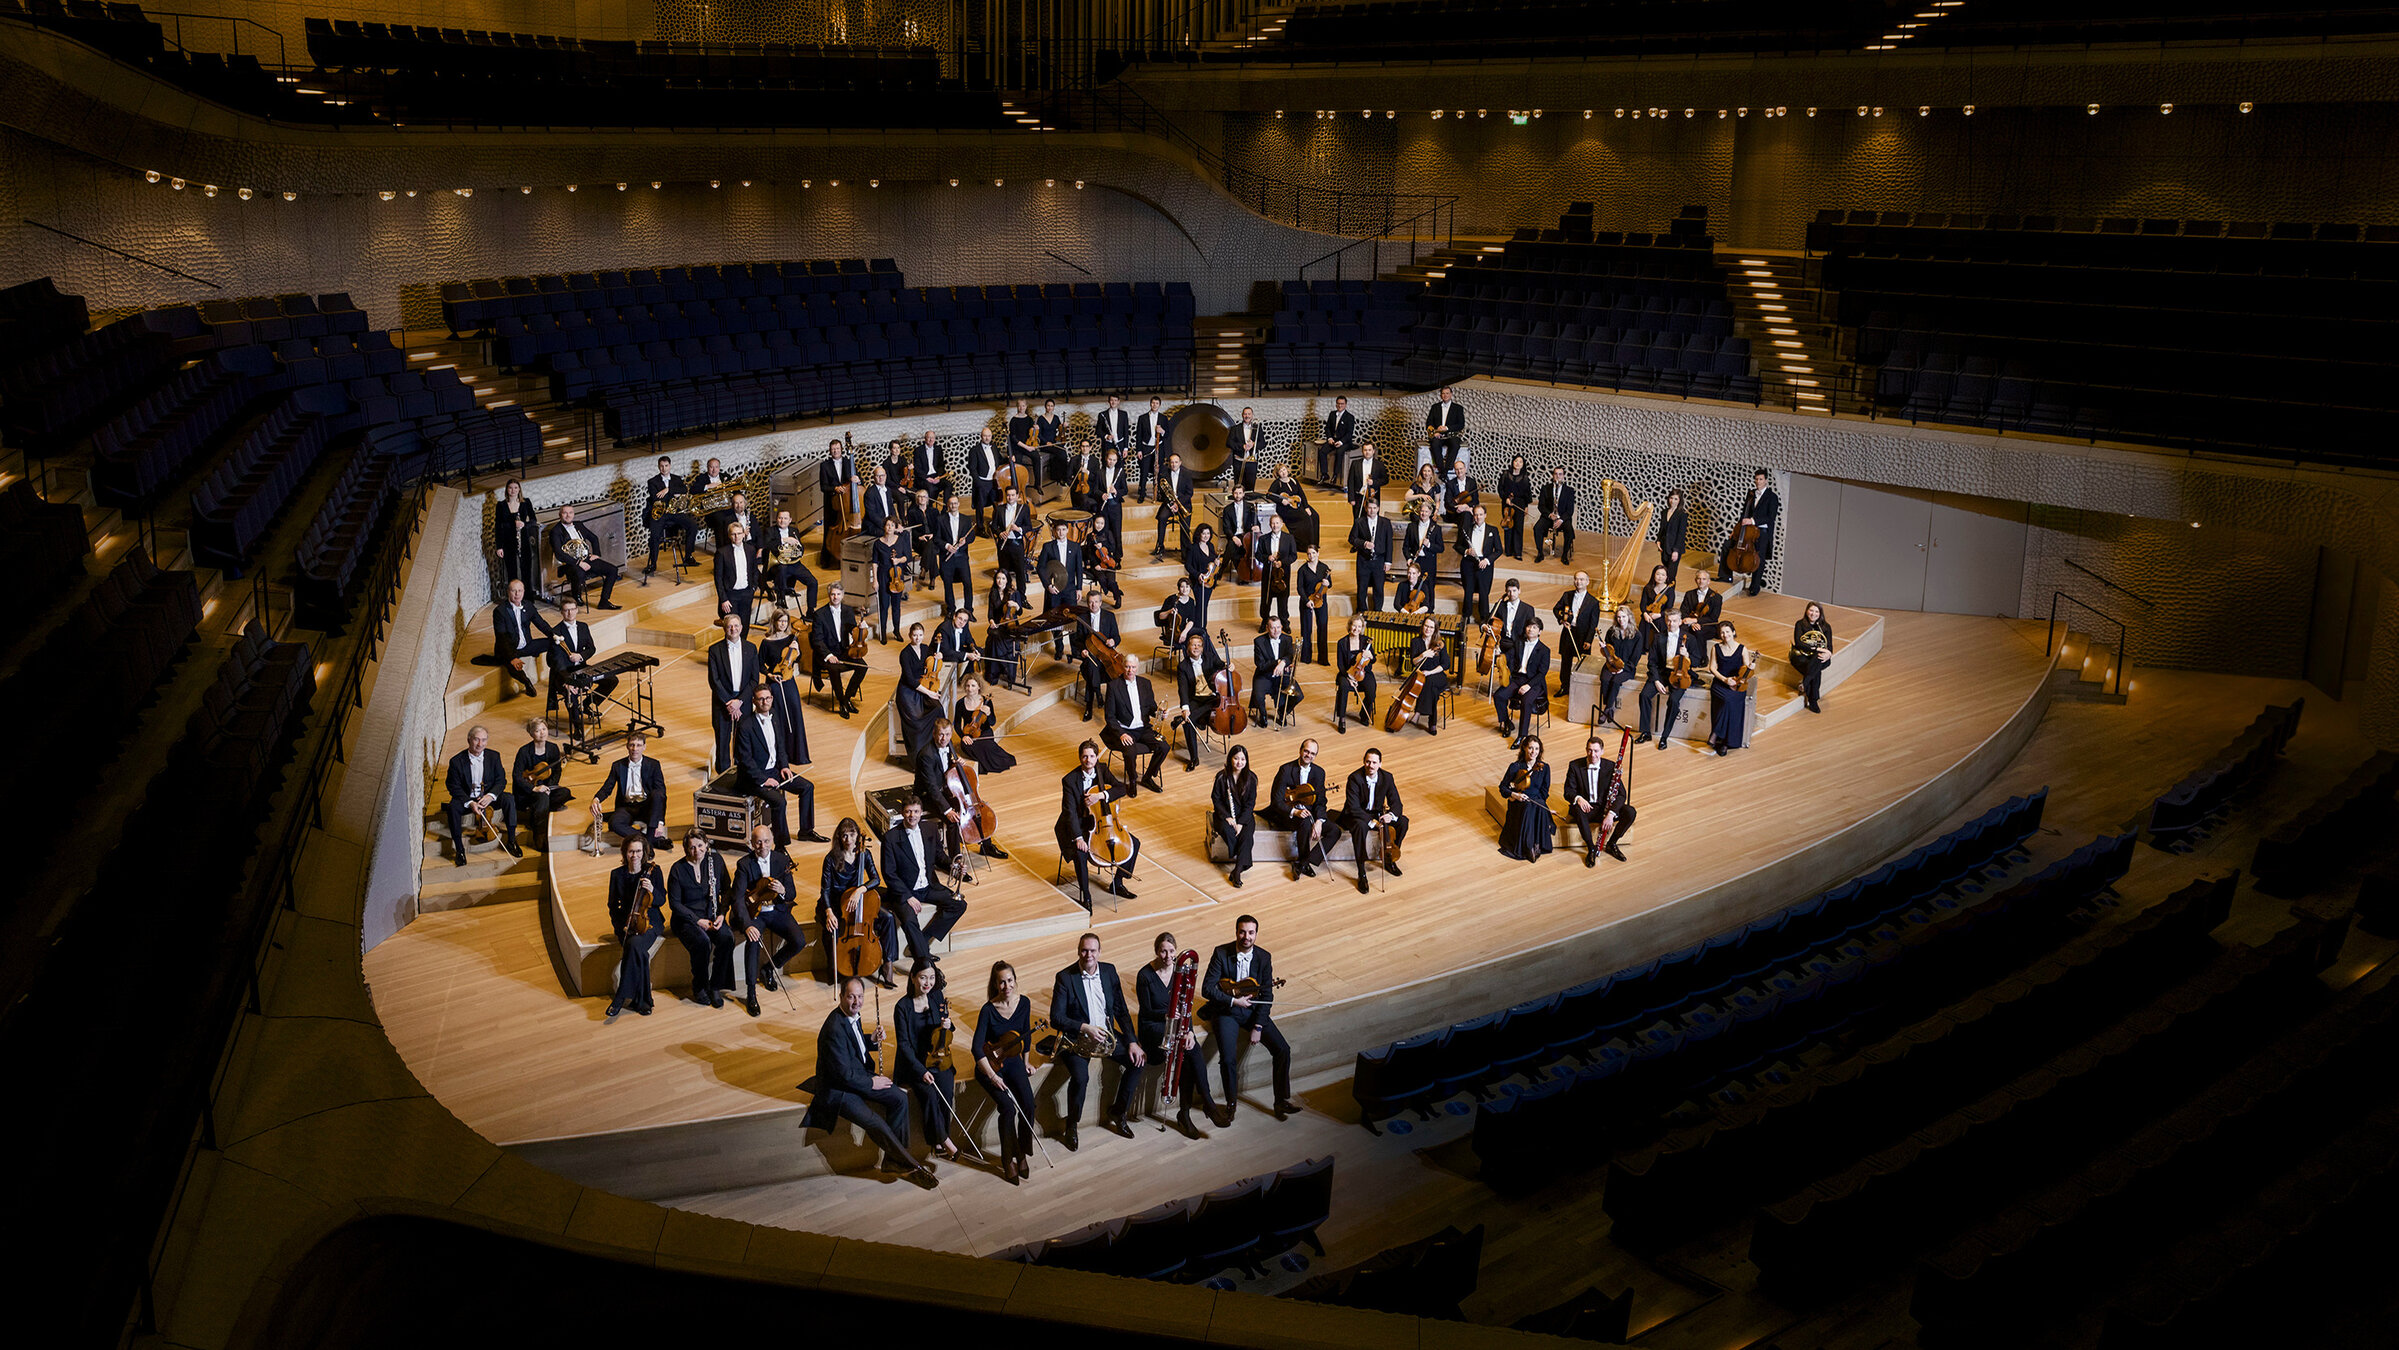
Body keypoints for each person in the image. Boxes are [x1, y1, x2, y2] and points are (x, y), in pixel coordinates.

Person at [802, 977, 938, 1187]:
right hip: (839, 1089)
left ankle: (894, 1161)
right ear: (841, 997)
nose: (856, 1001)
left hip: (857, 1076)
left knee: (900, 1098)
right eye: (850, 996)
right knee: (875, 1122)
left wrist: (871, 1040)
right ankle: (911, 1165)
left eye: (859, 996)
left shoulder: (850, 1017)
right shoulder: (833, 1029)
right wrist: (871, 1084)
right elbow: (841, 1074)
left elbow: (852, 1045)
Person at [1049, 933, 1146, 1147]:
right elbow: (1056, 1018)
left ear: (1099, 952)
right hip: (1077, 1039)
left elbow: (1121, 1010)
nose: (1088, 955)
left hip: (1106, 1035)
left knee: (1137, 1061)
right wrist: (1084, 1028)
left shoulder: (1109, 971)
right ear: (1078, 951)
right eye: (1084, 950)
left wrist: (1131, 1041)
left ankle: (1118, 1113)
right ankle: (1072, 1125)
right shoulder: (1065, 977)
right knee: (1081, 1078)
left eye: (1093, 951)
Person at [1202, 916, 1295, 1120]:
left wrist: (1259, 1026)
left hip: (1253, 1012)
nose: (1246, 937)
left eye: (1251, 933)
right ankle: (1231, 1104)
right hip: (1227, 1012)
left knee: (1283, 1050)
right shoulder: (1221, 953)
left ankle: (1280, 1102)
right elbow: (1207, 989)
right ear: (1236, 932)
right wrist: (1234, 1002)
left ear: (1256, 934)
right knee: (1227, 1059)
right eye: (1242, 932)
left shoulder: (1264, 957)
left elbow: (1267, 995)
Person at [1139, 932, 1225, 1136]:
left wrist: (1190, 1032)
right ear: (1156, 951)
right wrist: (1167, 1014)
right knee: (1186, 1052)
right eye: (1162, 951)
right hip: (1154, 1026)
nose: (1167, 956)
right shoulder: (1146, 975)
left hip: (1177, 1026)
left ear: (1176, 951)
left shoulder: (1183, 970)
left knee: (1191, 1049)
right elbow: (1146, 1010)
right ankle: (1203, 1105)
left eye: (1171, 951)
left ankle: (1193, 1108)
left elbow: (1186, 1006)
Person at [974, 962, 1040, 1185]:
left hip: (1013, 1062)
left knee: (1029, 1105)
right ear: (995, 984)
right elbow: (976, 1049)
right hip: (989, 1067)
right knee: (1008, 1108)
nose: (1006, 985)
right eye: (1001, 981)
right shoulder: (988, 1010)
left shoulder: (1024, 1003)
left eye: (1010, 980)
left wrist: (1026, 1063)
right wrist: (993, 1077)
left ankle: (1021, 1152)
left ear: (1015, 980)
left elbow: (1025, 1037)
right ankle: (1007, 1160)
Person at [882, 799, 970, 966]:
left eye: (915, 811)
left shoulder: (929, 828)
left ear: (921, 812)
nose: (912, 815)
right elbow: (889, 874)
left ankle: (922, 941)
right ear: (902, 813)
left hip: (928, 885)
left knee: (959, 904)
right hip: (905, 890)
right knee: (909, 921)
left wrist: (954, 866)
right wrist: (908, 896)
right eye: (908, 811)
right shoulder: (891, 838)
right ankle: (925, 961)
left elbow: (938, 856)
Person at [1057, 740, 1141, 908]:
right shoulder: (1069, 780)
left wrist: (1101, 795)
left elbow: (1121, 789)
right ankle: (1086, 896)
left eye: (1092, 756)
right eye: (1085, 756)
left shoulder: (1101, 770)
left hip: (1101, 823)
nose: (1089, 760)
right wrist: (1078, 838)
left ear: (1096, 758)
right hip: (1079, 825)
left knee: (1134, 843)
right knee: (1081, 854)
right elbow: (1070, 812)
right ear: (1080, 758)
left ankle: (1117, 883)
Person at [736, 686, 822, 848]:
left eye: (768, 698)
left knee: (807, 787)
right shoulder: (745, 726)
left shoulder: (774, 716)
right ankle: (781, 845)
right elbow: (745, 760)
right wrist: (764, 780)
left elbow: (780, 746)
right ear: (754, 701)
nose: (765, 702)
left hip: (775, 771)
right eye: (761, 699)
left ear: (772, 699)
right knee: (779, 802)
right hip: (754, 778)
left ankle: (806, 831)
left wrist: (784, 766)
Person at [893, 961, 963, 1161]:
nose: (928, 982)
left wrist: (949, 1025)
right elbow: (904, 1045)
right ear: (913, 977)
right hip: (913, 1064)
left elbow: (946, 1032)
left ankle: (940, 1140)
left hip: (937, 1059)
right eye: (923, 977)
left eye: (931, 978)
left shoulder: (937, 997)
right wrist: (920, 1070)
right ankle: (945, 1141)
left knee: (947, 1088)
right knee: (930, 1095)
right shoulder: (902, 1007)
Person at [816, 816, 895, 987]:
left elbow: (876, 879)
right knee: (832, 929)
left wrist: (860, 890)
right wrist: (829, 912)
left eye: (852, 835)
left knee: (888, 918)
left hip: (858, 901)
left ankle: (888, 963)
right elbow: (825, 890)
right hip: (836, 903)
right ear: (839, 837)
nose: (849, 840)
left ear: (858, 835)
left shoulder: (864, 854)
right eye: (844, 835)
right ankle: (835, 968)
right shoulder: (831, 858)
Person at [730, 822, 808, 991]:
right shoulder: (744, 864)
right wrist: (748, 925)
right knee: (753, 940)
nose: (762, 846)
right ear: (752, 843)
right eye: (758, 842)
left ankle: (769, 968)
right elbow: (736, 898)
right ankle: (751, 991)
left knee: (799, 941)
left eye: (766, 841)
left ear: (772, 841)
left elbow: (791, 894)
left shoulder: (782, 860)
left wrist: (782, 890)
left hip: (777, 911)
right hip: (755, 914)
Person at [668, 829, 739, 1009]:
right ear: (685, 849)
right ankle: (699, 985)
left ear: (706, 845)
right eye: (692, 847)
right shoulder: (678, 869)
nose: (697, 851)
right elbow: (675, 904)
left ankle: (715, 986)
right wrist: (697, 920)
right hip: (686, 919)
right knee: (702, 942)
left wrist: (722, 914)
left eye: (700, 846)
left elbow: (726, 890)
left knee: (727, 938)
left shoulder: (715, 861)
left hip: (713, 915)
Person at [604, 835, 665, 1017]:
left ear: (644, 852)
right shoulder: (617, 874)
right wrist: (618, 929)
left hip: (650, 922)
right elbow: (613, 906)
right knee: (638, 951)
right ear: (625, 853)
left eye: (638, 851)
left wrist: (652, 890)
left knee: (634, 945)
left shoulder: (654, 872)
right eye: (631, 851)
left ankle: (620, 997)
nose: (635, 855)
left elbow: (661, 900)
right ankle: (644, 1001)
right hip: (627, 924)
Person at [444, 725, 520, 864]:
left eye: (484, 740)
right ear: (469, 740)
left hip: (488, 797)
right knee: (452, 807)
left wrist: (490, 796)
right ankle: (460, 849)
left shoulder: (494, 756)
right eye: (476, 740)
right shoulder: (456, 761)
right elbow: (452, 786)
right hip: (468, 798)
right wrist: (470, 802)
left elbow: (501, 780)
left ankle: (511, 840)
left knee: (509, 798)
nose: (480, 744)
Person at [1336, 747, 1407, 894]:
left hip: (1377, 814)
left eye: (1374, 762)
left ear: (1380, 764)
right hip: (1355, 815)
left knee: (1403, 822)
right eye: (1368, 762)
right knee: (1360, 827)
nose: (1371, 766)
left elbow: (1397, 803)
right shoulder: (1354, 778)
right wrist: (1372, 822)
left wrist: (1391, 815)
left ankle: (1389, 858)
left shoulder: (1387, 777)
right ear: (1363, 762)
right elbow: (1353, 807)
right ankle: (1361, 873)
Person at [1100, 652, 1169, 795]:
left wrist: (1159, 712)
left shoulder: (1145, 684)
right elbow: (1110, 717)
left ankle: (1148, 777)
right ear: (1122, 667)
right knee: (1130, 752)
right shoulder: (1114, 686)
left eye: (1133, 667)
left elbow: (1151, 707)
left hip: (1143, 729)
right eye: (1127, 667)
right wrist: (1122, 734)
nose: (1130, 670)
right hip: (1125, 730)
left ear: (1137, 668)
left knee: (1164, 746)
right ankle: (1132, 780)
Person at [1562, 734, 1634, 865]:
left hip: (1605, 808)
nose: (1592, 754)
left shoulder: (1611, 766)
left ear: (1602, 751)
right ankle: (1591, 848)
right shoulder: (1575, 766)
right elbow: (1568, 792)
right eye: (1589, 750)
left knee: (1630, 812)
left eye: (1596, 751)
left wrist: (1611, 814)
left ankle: (1612, 844)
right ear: (1586, 750)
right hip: (1587, 808)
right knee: (1577, 810)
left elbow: (1622, 795)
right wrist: (1578, 798)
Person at [754, 609, 812, 767]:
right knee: (778, 716)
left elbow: (795, 658)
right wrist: (770, 675)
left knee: (794, 712)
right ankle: (780, 755)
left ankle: (798, 754)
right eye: (780, 621)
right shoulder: (766, 642)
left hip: (789, 680)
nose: (783, 624)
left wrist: (797, 651)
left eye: (785, 621)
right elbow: (760, 664)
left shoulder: (791, 639)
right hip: (774, 682)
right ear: (774, 622)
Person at [478, 577, 552, 701]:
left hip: (526, 645)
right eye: (514, 591)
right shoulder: (500, 611)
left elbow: (541, 624)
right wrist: (512, 657)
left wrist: (554, 635)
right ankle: (527, 683)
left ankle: (555, 673)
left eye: (520, 591)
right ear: (508, 592)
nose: (517, 594)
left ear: (523, 591)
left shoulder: (528, 606)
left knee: (553, 643)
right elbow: (502, 638)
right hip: (509, 648)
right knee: (511, 664)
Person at [591, 731, 667, 848]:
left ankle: (648, 843)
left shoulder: (654, 764)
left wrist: (660, 822)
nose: (635, 749)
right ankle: (649, 842)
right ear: (627, 746)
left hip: (646, 806)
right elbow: (607, 787)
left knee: (657, 793)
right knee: (614, 823)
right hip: (627, 807)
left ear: (644, 747)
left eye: (638, 745)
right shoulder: (617, 765)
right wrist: (596, 799)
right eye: (632, 745)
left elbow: (661, 793)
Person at [1641, 609, 1703, 749]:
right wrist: (1656, 680)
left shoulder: (1690, 639)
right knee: (1644, 695)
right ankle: (1645, 732)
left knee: (1673, 701)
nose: (1671, 623)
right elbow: (1652, 662)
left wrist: (1687, 655)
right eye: (1669, 620)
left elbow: (1698, 660)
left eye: (1675, 621)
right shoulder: (1658, 637)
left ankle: (1664, 737)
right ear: (1665, 621)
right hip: (1662, 673)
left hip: (1680, 674)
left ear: (1680, 621)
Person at [1267, 737, 1329, 877]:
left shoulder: (1319, 773)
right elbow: (1276, 800)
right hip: (1287, 814)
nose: (1308, 756)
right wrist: (1295, 812)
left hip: (1310, 813)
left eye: (1312, 754)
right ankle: (1304, 861)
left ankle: (1305, 862)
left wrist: (1319, 821)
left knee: (1334, 831)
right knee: (1305, 823)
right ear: (1300, 750)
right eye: (1306, 751)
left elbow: (1321, 801)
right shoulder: (1285, 770)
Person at [707, 613, 760, 775]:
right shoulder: (715, 650)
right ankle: (722, 777)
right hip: (722, 703)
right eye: (730, 626)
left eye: (736, 626)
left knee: (742, 741)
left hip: (743, 702)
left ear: (742, 628)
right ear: (724, 628)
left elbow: (754, 680)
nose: (733, 629)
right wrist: (729, 702)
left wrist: (739, 702)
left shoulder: (751, 649)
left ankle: (740, 774)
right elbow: (714, 680)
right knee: (722, 741)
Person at [512, 716, 572, 851]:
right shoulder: (524, 751)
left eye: (544, 729)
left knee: (565, 793)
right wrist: (534, 788)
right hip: (529, 790)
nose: (542, 733)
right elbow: (517, 776)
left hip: (546, 788)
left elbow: (556, 771)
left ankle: (536, 811)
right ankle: (540, 837)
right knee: (543, 798)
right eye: (538, 731)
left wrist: (549, 787)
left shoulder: (553, 748)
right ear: (531, 733)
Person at [548, 502, 620, 609]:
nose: (568, 515)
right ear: (560, 515)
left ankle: (604, 601)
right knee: (579, 573)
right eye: (565, 513)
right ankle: (576, 596)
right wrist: (579, 563)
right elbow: (559, 554)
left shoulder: (578, 525)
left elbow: (594, 538)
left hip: (586, 558)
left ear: (573, 514)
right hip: (569, 563)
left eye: (570, 513)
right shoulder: (555, 531)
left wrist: (596, 554)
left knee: (613, 570)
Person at [811, 585, 867, 717]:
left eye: (838, 594)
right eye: (832, 594)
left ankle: (846, 698)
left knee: (863, 667)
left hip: (844, 651)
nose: (835, 597)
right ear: (829, 595)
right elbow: (817, 640)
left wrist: (861, 628)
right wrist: (828, 655)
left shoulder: (847, 610)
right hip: (826, 653)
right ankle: (842, 702)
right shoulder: (819, 614)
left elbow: (853, 631)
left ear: (842, 595)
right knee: (834, 669)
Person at [1496, 616, 1552, 748]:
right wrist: (1500, 654)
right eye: (1529, 626)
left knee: (1526, 701)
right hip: (1517, 678)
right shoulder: (1519, 642)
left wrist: (1528, 686)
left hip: (1534, 683)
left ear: (1539, 631)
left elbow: (1542, 673)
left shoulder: (1544, 650)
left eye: (1534, 627)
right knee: (1499, 695)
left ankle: (1522, 736)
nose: (1530, 629)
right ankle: (1506, 722)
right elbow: (1509, 655)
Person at [1168, 631, 1221, 770]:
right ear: (1188, 648)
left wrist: (1229, 666)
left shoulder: (1210, 657)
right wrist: (1185, 708)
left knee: (1191, 716)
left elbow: (1221, 665)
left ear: (1203, 648)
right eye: (1193, 645)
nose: (1196, 648)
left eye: (1199, 645)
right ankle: (1194, 758)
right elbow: (1183, 689)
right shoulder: (1183, 666)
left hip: (1211, 698)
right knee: (1188, 722)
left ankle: (1181, 718)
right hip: (1196, 699)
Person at [1498, 736, 1554, 862]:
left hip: (1536, 800)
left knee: (1537, 805)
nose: (1533, 752)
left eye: (1536, 749)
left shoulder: (1545, 768)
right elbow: (1503, 788)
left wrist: (1535, 800)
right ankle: (1529, 847)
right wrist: (1515, 795)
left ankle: (1537, 844)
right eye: (1530, 748)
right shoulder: (1516, 767)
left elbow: (1545, 791)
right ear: (1524, 748)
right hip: (1519, 801)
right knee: (1528, 807)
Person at [1727, 469, 1780, 595]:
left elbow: (1770, 517)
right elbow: (1744, 513)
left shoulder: (1772, 497)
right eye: (1756, 479)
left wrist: (1752, 520)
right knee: (1729, 547)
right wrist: (1736, 531)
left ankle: (1755, 587)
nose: (1758, 482)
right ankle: (1726, 576)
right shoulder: (1751, 493)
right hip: (1748, 532)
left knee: (1758, 559)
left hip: (1762, 532)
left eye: (1761, 479)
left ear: (1766, 480)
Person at [1211, 744, 1257, 887]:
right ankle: (1245, 862)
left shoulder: (1251, 778)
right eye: (1236, 758)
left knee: (1247, 834)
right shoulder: (1222, 777)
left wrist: (1241, 823)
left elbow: (1250, 804)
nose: (1239, 762)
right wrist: (1227, 817)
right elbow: (1216, 799)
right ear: (1230, 758)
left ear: (1246, 760)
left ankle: (1237, 870)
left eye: (1243, 759)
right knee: (1228, 831)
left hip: (1244, 816)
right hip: (1224, 814)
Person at [641, 455, 695, 575]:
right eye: (661, 466)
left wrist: (667, 490)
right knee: (654, 537)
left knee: (692, 526)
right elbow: (656, 498)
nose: (664, 469)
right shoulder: (652, 481)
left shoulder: (677, 479)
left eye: (666, 466)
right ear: (658, 467)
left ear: (670, 466)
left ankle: (688, 556)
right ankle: (653, 564)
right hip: (659, 513)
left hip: (674, 512)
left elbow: (684, 491)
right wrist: (672, 492)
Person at [1070, 586, 1120, 717]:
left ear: (1101, 602)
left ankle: (1099, 700)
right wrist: (1082, 650)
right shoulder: (1082, 618)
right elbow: (1077, 640)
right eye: (1091, 602)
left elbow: (1117, 637)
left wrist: (1113, 641)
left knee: (1105, 671)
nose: (1093, 605)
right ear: (1087, 603)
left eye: (1096, 601)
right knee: (1092, 667)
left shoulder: (1109, 616)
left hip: (1107, 656)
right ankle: (1091, 704)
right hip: (1090, 655)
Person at [951, 676, 1017, 775]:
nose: (970, 688)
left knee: (986, 745)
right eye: (968, 686)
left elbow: (992, 722)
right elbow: (956, 724)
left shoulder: (986, 701)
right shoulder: (960, 703)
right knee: (967, 746)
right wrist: (963, 736)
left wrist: (989, 713)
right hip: (968, 734)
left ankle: (997, 760)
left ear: (979, 687)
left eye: (973, 685)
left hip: (985, 731)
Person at [894, 623, 941, 759]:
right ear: (910, 636)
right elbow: (909, 679)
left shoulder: (926, 648)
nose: (917, 638)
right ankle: (917, 758)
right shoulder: (905, 654)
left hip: (924, 685)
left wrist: (939, 657)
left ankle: (935, 748)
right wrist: (929, 693)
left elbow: (934, 664)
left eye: (920, 635)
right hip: (909, 691)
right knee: (916, 721)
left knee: (938, 708)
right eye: (915, 635)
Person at [1553, 571, 1604, 696]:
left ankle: (1581, 688)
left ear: (1587, 582)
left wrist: (1589, 640)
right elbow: (1556, 609)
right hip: (1568, 632)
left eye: (1581, 580)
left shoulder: (1593, 602)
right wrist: (1562, 620)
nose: (1578, 582)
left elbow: (1593, 624)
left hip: (1583, 635)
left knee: (1582, 663)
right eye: (1576, 579)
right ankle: (1565, 686)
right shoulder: (1567, 595)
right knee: (1565, 661)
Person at [1707, 620, 1754, 756]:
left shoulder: (1742, 649)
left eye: (1727, 631)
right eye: (1722, 632)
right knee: (1727, 701)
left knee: (1729, 701)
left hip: (1738, 685)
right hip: (1720, 683)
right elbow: (1712, 668)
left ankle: (1718, 736)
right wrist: (1725, 679)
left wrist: (1751, 668)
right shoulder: (1716, 648)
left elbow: (1746, 671)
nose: (1725, 634)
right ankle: (1721, 740)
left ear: (1733, 632)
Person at [761, 507, 820, 614]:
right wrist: (783, 540)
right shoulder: (769, 531)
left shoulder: (794, 531)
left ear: (790, 520)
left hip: (794, 565)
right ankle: (781, 597)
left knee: (813, 582)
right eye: (780, 518)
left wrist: (798, 550)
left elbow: (801, 548)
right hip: (776, 566)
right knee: (782, 568)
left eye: (785, 518)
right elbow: (767, 545)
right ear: (776, 519)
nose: (782, 520)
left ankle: (810, 611)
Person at [1597, 604, 1647, 727]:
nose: (1621, 620)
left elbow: (1635, 657)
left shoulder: (1637, 635)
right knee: (1604, 678)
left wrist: (1622, 668)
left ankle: (1607, 709)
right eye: (1619, 617)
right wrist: (1604, 648)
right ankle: (1610, 708)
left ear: (1629, 617)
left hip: (1627, 667)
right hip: (1611, 663)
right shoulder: (1611, 631)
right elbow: (1608, 652)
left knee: (1615, 681)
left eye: (1624, 617)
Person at [927, 490, 976, 614]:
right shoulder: (940, 519)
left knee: (968, 583)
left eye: (955, 503)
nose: (953, 506)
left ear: (959, 504)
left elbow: (972, 537)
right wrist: (947, 546)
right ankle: (951, 610)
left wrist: (965, 541)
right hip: (947, 557)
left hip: (962, 557)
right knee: (948, 584)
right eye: (951, 504)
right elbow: (937, 539)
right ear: (948, 505)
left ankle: (968, 610)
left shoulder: (966, 519)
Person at [1401, 614, 1451, 734]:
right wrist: (1423, 655)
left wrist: (1430, 672)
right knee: (1431, 689)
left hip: (1437, 675)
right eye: (1426, 626)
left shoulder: (1439, 643)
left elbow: (1445, 665)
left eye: (1431, 627)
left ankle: (1417, 713)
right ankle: (1432, 723)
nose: (1428, 629)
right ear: (1422, 626)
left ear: (1435, 630)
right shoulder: (1416, 642)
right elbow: (1414, 662)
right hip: (1422, 676)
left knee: (1429, 681)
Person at [492, 477, 542, 596]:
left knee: (526, 570)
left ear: (519, 489)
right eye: (510, 488)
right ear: (507, 490)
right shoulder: (501, 505)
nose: (513, 490)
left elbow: (533, 520)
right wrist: (499, 546)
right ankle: (513, 598)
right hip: (508, 541)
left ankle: (528, 598)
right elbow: (498, 526)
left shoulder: (526, 502)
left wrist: (524, 524)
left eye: (515, 488)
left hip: (523, 540)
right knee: (511, 571)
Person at [1252, 615, 1301, 725]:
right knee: (1258, 695)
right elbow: (1260, 665)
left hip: (1282, 675)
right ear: (1267, 628)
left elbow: (1289, 655)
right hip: (1264, 675)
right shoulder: (1259, 641)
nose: (1276, 631)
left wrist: (1283, 662)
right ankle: (1263, 715)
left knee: (1299, 696)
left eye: (1278, 627)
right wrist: (1278, 662)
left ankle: (1282, 712)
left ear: (1282, 627)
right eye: (1273, 628)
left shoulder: (1287, 639)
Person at [1348, 495, 1394, 613]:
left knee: (1379, 588)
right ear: (1366, 508)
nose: (1371, 510)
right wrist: (1363, 544)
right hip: (1363, 561)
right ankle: (1362, 611)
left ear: (1378, 508)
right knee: (1362, 587)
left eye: (1374, 508)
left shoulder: (1386, 523)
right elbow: (1352, 539)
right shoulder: (1359, 522)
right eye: (1369, 508)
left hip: (1379, 560)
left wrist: (1388, 561)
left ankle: (1378, 611)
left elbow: (1389, 543)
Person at [1333, 615, 1377, 734]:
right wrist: (1349, 677)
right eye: (1354, 626)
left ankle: (1364, 713)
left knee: (1371, 690)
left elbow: (1373, 660)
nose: (1356, 629)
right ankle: (1342, 718)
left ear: (1362, 627)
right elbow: (1340, 664)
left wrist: (1370, 655)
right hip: (1346, 672)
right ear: (1349, 626)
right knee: (1343, 686)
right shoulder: (1342, 643)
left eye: (1359, 626)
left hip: (1364, 672)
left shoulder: (1366, 641)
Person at [1456, 503, 1499, 622]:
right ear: (1473, 516)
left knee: (1484, 592)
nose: (1478, 517)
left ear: (1485, 515)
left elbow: (1499, 550)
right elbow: (1457, 546)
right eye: (1475, 515)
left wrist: (1487, 560)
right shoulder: (1466, 529)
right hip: (1468, 563)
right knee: (1468, 590)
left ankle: (1484, 617)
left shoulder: (1493, 530)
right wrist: (1466, 551)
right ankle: (1466, 616)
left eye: (1480, 514)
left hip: (1484, 564)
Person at [1791, 602, 1835, 714]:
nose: (1813, 614)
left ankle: (1805, 683)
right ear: (1806, 611)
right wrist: (1817, 649)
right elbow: (1799, 643)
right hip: (1802, 656)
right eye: (1811, 610)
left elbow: (1829, 647)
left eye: (1816, 611)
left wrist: (1828, 654)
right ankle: (1813, 700)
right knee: (1816, 668)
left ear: (1820, 614)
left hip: (1818, 658)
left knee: (1817, 660)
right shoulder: (1800, 624)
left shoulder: (1826, 627)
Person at [1037, 518, 1085, 622]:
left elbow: (1079, 569)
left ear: (1067, 530)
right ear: (1054, 531)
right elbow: (1040, 567)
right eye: (1058, 530)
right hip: (1054, 590)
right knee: (1054, 620)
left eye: (1063, 529)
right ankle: (1058, 639)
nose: (1061, 532)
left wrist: (1079, 588)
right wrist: (1048, 585)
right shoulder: (1047, 547)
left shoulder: (1076, 547)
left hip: (1070, 589)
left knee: (1072, 620)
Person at [1256, 514, 1298, 630]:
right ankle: (1264, 621)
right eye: (1273, 523)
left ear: (1281, 524)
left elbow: (1294, 556)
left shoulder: (1289, 538)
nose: (1275, 525)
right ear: (1270, 525)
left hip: (1283, 574)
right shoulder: (1264, 539)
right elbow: (1258, 555)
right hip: (1268, 574)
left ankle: (1284, 623)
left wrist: (1282, 563)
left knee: (1283, 600)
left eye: (1277, 523)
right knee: (1266, 600)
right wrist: (1267, 558)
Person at [870, 517, 908, 642]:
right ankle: (883, 632)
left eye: (892, 525)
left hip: (897, 577)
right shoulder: (878, 543)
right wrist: (875, 580)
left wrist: (898, 560)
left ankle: (896, 631)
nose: (890, 527)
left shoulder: (901, 540)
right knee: (884, 605)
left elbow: (907, 557)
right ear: (884, 527)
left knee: (896, 606)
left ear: (895, 527)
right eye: (887, 525)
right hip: (882, 576)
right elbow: (875, 562)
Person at [1268, 461, 1319, 551]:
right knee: (1305, 518)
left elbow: (1302, 494)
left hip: (1297, 504)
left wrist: (1306, 507)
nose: (1283, 472)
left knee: (1315, 515)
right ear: (1278, 474)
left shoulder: (1294, 481)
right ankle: (1304, 546)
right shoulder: (1277, 483)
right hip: (1286, 509)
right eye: (1280, 471)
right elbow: (1269, 495)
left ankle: (1313, 544)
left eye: (1284, 469)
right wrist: (1281, 500)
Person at [992, 484, 1034, 597]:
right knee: (1004, 572)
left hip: (1017, 544)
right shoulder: (999, 509)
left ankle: (1022, 597)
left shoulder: (1024, 508)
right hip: (1004, 545)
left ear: (1017, 496)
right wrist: (999, 533)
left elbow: (1028, 526)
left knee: (1020, 572)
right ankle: (1006, 595)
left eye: (1012, 495)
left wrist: (1018, 529)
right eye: (1008, 495)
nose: (1010, 498)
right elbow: (993, 526)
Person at [1295, 543, 1333, 665]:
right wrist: (1307, 601)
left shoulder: (1324, 568)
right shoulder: (1302, 570)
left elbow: (1329, 584)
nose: (1311, 556)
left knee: (1322, 627)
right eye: (1309, 554)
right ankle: (1306, 658)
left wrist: (1328, 584)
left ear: (1318, 553)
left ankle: (1323, 659)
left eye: (1313, 553)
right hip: (1307, 601)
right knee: (1306, 629)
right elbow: (1300, 588)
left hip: (1321, 601)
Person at [714, 520, 757, 623]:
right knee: (732, 627)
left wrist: (753, 588)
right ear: (729, 535)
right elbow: (718, 578)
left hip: (747, 593)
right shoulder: (722, 552)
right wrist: (723, 599)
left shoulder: (751, 549)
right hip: (731, 595)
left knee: (745, 625)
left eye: (739, 533)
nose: (736, 536)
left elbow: (754, 570)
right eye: (733, 534)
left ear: (743, 534)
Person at [1404, 500, 1444, 607]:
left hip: (1429, 562)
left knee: (1429, 587)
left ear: (1430, 513)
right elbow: (1405, 547)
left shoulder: (1436, 528)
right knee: (1413, 586)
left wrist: (1430, 545)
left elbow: (1441, 548)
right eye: (1422, 511)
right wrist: (1408, 558)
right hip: (1416, 561)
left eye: (1426, 511)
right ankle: (1413, 608)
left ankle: (1430, 610)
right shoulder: (1411, 527)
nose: (1423, 514)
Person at [1155, 576, 1206, 660]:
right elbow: (1160, 616)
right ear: (1178, 588)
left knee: (1203, 632)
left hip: (1185, 629)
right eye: (1182, 586)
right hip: (1173, 631)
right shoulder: (1172, 599)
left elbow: (1191, 620)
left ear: (1190, 588)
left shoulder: (1191, 601)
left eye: (1187, 587)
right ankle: (1190, 664)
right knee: (1191, 641)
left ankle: (1205, 659)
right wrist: (1169, 611)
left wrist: (1184, 632)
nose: (1185, 589)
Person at [1535, 466, 1577, 565]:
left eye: (1560, 474)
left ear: (1563, 476)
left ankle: (1564, 555)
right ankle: (1540, 553)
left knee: (1569, 531)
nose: (1558, 476)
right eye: (1556, 474)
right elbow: (1541, 506)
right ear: (1553, 475)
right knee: (1537, 528)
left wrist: (1561, 520)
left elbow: (1570, 510)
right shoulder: (1545, 488)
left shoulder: (1569, 491)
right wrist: (1549, 515)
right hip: (1549, 517)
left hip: (1562, 518)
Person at [1153, 451, 1193, 557]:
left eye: (1176, 462)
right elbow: (1162, 494)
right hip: (1169, 503)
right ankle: (1160, 546)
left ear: (1180, 462)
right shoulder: (1164, 474)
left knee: (1184, 525)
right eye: (1171, 462)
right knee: (1162, 518)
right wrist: (1171, 504)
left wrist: (1178, 504)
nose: (1173, 464)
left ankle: (1185, 554)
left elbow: (1189, 493)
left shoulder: (1187, 474)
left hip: (1184, 504)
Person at [1496, 454, 1533, 559]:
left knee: (1518, 527)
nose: (1518, 463)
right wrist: (1505, 498)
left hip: (1520, 503)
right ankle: (1508, 550)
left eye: (1520, 462)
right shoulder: (1505, 474)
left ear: (1523, 464)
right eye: (1516, 461)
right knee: (1508, 525)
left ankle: (1517, 552)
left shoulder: (1525, 477)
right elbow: (1500, 489)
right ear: (1512, 462)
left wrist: (1526, 506)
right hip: (1507, 503)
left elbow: (1527, 493)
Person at [1133, 395, 1168, 503]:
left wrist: (1162, 431)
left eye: (1157, 403)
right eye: (1153, 403)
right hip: (1146, 448)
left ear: (1159, 405)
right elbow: (1138, 435)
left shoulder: (1163, 418)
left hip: (1158, 448)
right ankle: (1142, 494)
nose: (1154, 405)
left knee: (1157, 472)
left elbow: (1167, 435)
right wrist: (1139, 450)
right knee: (1144, 472)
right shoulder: (1142, 418)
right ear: (1150, 404)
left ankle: (1158, 494)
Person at [969, 426, 1004, 533]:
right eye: (985, 436)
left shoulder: (994, 447)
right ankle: (980, 528)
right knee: (980, 506)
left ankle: (996, 525)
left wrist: (1010, 459)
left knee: (996, 504)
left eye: (989, 436)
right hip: (982, 482)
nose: (987, 438)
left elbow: (1000, 460)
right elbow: (972, 468)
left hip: (994, 481)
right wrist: (978, 483)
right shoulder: (974, 450)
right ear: (981, 436)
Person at [1425, 385, 1465, 475]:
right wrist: (1434, 432)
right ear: (1440, 395)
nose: (1445, 395)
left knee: (1455, 444)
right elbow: (1429, 423)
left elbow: (1461, 425)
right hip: (1438, 435)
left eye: (1447, 393)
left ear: (1451, 394)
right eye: (1443, 393)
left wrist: (1447, 428)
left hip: (1452, 435)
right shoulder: (1435, 407)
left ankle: (1446, 469)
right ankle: (1441, 469)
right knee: (1435, 444)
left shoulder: (1458, 408)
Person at [1182, 523, 1220, 616]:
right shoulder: (1192, 548)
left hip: (1209, 581)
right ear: (1199, 534)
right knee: (1200, 605)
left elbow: (1213, 561)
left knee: (1204, 605)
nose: (1206, 536)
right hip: (1198, 581)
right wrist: (1198, 574)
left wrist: (1217, 562)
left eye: (1208, 533)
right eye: (1203, 533)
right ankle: (1200, 628)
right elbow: (1188, 565)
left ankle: (1202, 628)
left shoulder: (1210, 546)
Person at [1345, 438, 1389, 516]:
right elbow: (1350, 481)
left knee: (1372, 519)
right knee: (1357, 520)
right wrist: (1351, 498)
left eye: (1369, 450)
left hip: (1373, 497)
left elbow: (1385, 480)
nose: (1367, 452)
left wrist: (1374, 482)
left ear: (1373, 451)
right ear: (1362, 451)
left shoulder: (1379, 465)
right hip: (1358, 496)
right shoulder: (1355, 464)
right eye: (1365, 450)